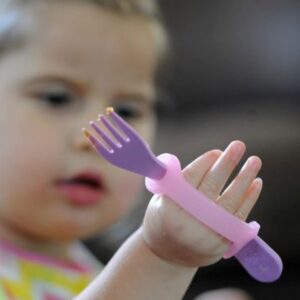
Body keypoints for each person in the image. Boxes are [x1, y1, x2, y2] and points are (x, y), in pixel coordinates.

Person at [0, 0, 262, 299]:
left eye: (126, 111)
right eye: (56, 98)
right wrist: (162, 259)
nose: (92, 139)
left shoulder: (86, 270)